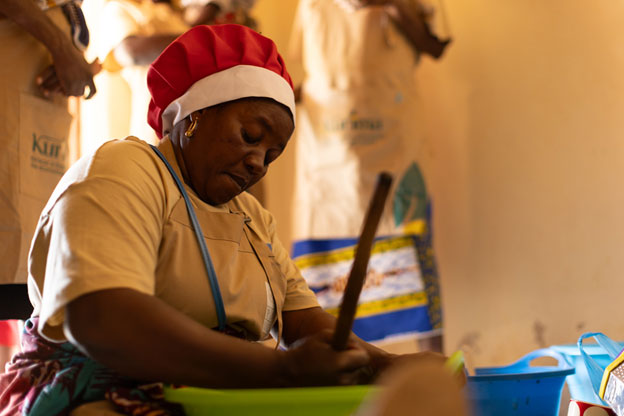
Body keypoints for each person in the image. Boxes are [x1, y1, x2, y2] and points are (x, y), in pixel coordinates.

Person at [0, 24, 454, 415]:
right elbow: (103, 318)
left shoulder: (252, 217)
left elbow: (302, 323)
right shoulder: (124, 168)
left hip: (215, 396)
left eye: (273, 155)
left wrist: (388, 366)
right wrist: (281, 370)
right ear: (192, 115)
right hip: (100, 399)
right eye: (250, 136)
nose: (259, 162)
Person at [288, 0, 450, 352]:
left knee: (410, 248)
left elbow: (435, 46)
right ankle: (324, 381)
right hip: (326, 145)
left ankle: (436, 384)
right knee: (319, 280)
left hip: (392, 137)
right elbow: (311, 63)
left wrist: (389, 3)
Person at [0, 0, 98, 285]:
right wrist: (60, 46)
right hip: (10, 71)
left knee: (33, 237)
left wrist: (71, 56)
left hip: (40, 85)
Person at [98, 0, 190, 144]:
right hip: (155, 125)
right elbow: (131, 52)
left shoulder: (175, 13)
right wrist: (196, 40)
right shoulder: (121, 8)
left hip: (188, 121)